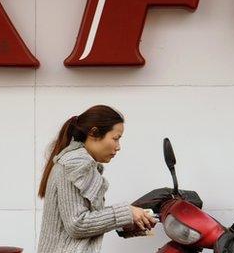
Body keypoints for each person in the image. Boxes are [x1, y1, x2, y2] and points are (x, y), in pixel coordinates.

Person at [37, 105, 156, 253]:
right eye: (115, 138)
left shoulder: (79, 162)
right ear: (94, 133)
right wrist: (126, 212)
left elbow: (85, 219)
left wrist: (127, 220)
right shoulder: (75, 163)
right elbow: (77, 224)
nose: (118, 147)